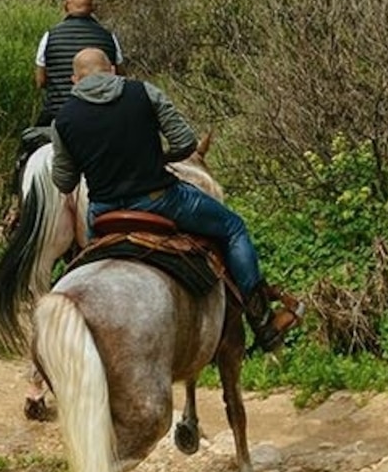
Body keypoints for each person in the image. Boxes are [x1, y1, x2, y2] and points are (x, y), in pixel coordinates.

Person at [45, 45, 297, 354]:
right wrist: (157, 159)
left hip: (104, 212)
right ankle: (262, 319)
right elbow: (185, 142)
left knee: (85, 261)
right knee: (233, 227)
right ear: (112, 70)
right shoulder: (144, 92)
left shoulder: (63, 120)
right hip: (160, 199)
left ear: (75, 80)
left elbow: (64, 181)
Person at [30, 0, 124, 121]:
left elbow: (40, 81)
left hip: (59, 115)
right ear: (93, 8)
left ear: (65, 6)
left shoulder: (50, 36)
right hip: (102, 114)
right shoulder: (108, 36)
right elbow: (120, 76)